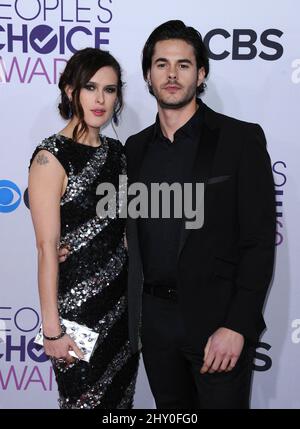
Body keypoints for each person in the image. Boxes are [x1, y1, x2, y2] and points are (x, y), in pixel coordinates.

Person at [124, 20, 276, 409]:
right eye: (161, 64)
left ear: (201, 73)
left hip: (217, 324)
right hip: (155, 325)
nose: (172, 74)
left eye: (183, 64)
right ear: (148, 74)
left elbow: (259, 241)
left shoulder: (240, 140)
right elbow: (125, 230)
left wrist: (238, 325)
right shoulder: (135, 148)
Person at [28, 47, 139, 409]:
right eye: (91, 87)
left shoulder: (119, 154)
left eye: (109, 90)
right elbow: (47, 248)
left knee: (120, 406)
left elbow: (125, 231)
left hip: (122, 311)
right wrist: (52, 330)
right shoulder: (50, 157)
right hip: (76, 316)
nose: (100, 99)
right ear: (69, 90)